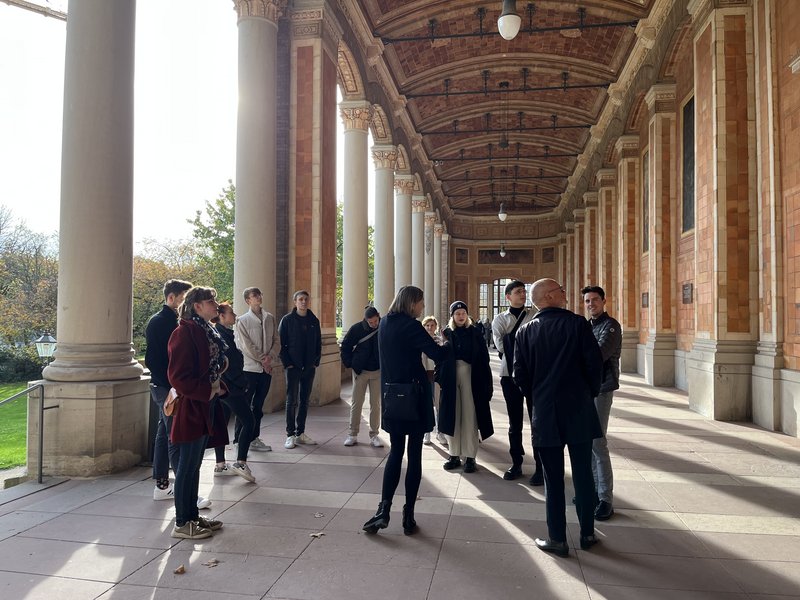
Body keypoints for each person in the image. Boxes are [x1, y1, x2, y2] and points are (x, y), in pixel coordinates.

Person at [513, 278, 603, 557]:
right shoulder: (578, 325)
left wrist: (537, 397)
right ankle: (587, 534)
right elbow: (594, 366)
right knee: (583, 474)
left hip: (545, 413)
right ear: (549, 296)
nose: (565, 293)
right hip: (579, 410)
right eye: (561, 290)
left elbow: (520, 376)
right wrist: (587, 393)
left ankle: (557, 539)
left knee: (552, 480)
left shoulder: (525, 332)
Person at [362, 286, 448, 536]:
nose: (422, 307)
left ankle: (383, 509)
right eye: (421, 302)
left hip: (392, 396)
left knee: (396, 453)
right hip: (415, 395)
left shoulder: (385, 323)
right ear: (412, 303)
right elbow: (437, 354)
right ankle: (408, 515)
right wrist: (446, 341)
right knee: (415, 454)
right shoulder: (412, 326)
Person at [167, 286, 229, 539]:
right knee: (187, 466)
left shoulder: (205, 329)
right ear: (197, 306)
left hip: (204, 403)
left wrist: (216, 387)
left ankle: (192, 516)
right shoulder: (184, 332)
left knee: (194, 465)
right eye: (211, 301)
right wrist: (207, 392)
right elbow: (178, 377)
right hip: (192, 406)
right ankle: (182, 522)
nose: (216, 305)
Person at [144, 278, 211, 510]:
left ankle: (162, 486)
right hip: (167, 388)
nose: (186, 304)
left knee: (164, 434)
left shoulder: (177, 322)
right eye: (183, 299)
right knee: (176, 436)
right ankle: (184, 494)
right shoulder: (160, 322)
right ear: (171, 298)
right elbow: (154, 360)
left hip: (170, 387)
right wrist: (173, 387)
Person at [491, 280, 544, 485]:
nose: (523, 294)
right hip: (509, 375)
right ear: (508, 297)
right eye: (518, 291)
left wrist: (514, 341)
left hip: (533, 375)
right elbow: (501, 345)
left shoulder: (535, 315)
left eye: (524, 291)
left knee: (537, 422)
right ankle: (516, 463)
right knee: (514, 423)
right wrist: (524, 343)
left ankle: (540, 466)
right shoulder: (499, 319)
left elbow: (539, 342)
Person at [437, 301, 494, 473]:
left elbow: (484, 357)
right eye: (457, 313)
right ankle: (454, 454)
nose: (461, 316)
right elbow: (440, 356)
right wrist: (440, 377)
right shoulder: (446, 333)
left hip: (471, 375)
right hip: (451, 376)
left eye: (463, 313)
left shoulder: (475, 332)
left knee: (470, 415)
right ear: (452, 316)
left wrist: (486, 382)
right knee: (452, 415)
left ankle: (470, 456)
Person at [581, 285, 622, 521]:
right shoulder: (586, 326)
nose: (591, 304)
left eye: (595, 300)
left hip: (602, 388)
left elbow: (598, 355)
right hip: (585, 389)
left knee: (598, 442)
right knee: (587, 441)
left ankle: (605, 499)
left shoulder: (611, 326)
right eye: (587, 301)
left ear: (604, 301)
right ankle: (593, 491)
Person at [211, 302, 257, 482]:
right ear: (222, 316)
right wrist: (242, 383)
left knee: (221, 425)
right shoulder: (220, 336)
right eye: (231, 312)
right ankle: (241, 462)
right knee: (249, 421)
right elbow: (227, 365)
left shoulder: (222, 334)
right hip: (231, 388)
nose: (234, 315)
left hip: (226, 387)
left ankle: (220, 464)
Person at [234, 287, 280, 453]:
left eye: (259, 294)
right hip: (250, 370)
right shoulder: (242, 320)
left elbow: (276, 340)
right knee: (244, 405)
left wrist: (270, 357)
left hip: (266, 370)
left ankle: (254, 438)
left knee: (258, 406)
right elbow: (246, 346)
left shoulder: (270, 318)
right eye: (255, 295)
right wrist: (263, 359)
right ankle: (239, 439)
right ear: (248, 300)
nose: (259, 297)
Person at [279, 290, 322, 449]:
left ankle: (300, 433)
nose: (303, 302)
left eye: (306, 299)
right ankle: (290, 434)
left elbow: (318, 343)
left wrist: (315, 362)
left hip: (309, 367)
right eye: (300, 299)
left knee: (304, 401)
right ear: (295, 302)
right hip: (293, 367)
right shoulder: (287, 320)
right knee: (291, 401)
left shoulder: (314, 320)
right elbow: (281, 343)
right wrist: (287, 363)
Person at [340, 306, 383, 447]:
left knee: (375, 404)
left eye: (376, 321)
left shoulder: (384, 326)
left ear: (378, 316)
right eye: (371, 322)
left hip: (377, 371)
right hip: (360, 371)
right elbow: (345, 346)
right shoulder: (356, 329)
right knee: (356, 403)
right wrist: (350, 364)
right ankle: (352, 434)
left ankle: (374, 434)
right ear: (365, 319)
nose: (374, 324)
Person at [421, 316, 446, 446]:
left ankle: (440, 432)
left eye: (432, 325)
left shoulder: (439, 341)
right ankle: (427, 432)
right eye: (427, 325)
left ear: (436, 327)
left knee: (438, 405)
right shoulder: (420, 340)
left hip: (436, 376)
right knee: (426, 405)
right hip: (424, 376)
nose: (430, 328)